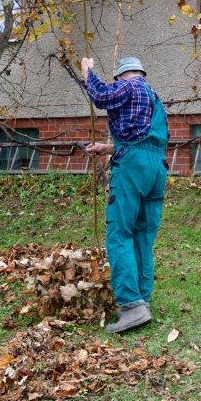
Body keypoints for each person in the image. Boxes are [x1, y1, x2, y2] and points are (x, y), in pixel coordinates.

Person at [81, 56, 169, 333]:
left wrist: (87, 69)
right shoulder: (154, 97)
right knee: (143, 235)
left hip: (132, 168)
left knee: (120, 233)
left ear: (121, 77)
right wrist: (107, 149)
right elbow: (141, 137)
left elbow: (100, 95)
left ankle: (130, 306)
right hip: (156, 168)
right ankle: (142, 299)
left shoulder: (130, 86)